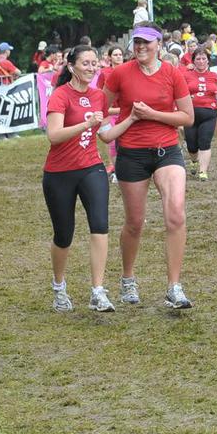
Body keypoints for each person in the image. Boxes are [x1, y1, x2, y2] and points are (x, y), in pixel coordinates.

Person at [102, 22, 196, 309]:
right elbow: (100, 108)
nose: (141, 47)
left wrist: (153, 114)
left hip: (167, 151)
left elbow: (187, 117)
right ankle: (128, 278)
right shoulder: (120, 73)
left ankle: (174, 287)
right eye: (137, 42)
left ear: (159, 45)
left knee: (176, 215)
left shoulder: (172, 73)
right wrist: (108, 130)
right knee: (135, 222)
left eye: (147, 42)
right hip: (132, 154)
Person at [43, 46, 138, 313]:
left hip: (91, 168)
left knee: (100, 225)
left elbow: (105, 135)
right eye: (85, 63)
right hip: (59, 173)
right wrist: (86, 125)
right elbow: (53, 135)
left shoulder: (98, 96)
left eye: (95, 63)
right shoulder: (60, 95)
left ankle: (98, 290)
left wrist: (131, 119)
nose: (91, 68)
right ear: (71, 66)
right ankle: (59, 286)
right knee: (64, 235)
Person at [182, 46, 217, 182]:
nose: (201, 61)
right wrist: (187, 97)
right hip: (190, 113)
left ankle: (203, 171)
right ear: (193, 61)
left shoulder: (214, 76)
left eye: (203, 59)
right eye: (198, 59)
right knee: (191, 145)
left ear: (208, 61)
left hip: (209, 113)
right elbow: (180, 92)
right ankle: (194, 161)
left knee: (205, 142)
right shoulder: (186, 75)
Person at [94, 45, 127, 180]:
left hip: (126, 112)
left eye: (120, 55)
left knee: (127, 142)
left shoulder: (128, 71)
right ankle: (117, 171)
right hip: (111, 112)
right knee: (113, 142)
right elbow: (99, 93)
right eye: (115, 55)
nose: (118, 57)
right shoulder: (104, 73)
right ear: (109, 57)